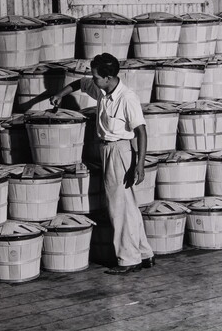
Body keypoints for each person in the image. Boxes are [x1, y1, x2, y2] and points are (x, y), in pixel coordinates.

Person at [50, 53, 155, 275]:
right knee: (129, 206)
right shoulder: (103, 90)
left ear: (108, 77)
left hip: (120, 151)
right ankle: (144, 254)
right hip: (109, 150)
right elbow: (80, 83)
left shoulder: (127, 98)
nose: (93, 79)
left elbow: (141, 131)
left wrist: (140, 165)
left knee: (118, 208)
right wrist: (60, 94)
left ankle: (128, 260)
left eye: (96, 76)